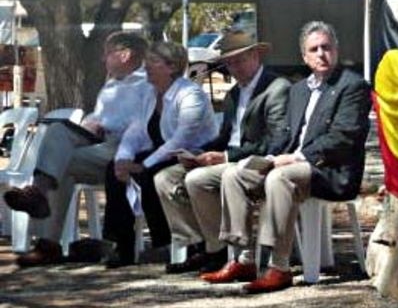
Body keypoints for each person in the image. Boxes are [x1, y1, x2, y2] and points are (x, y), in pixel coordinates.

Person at [201, 21, 371, 293]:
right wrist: (265, 156)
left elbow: (343, 138)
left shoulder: (353, 86)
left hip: (328, 169)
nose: (321, 54)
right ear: (304, 56)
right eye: (313, 49)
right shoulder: (299, 89)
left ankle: (278, 267)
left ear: (336, 50)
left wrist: (297, 157)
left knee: (279, 177)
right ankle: (243, 258)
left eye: (326, 47)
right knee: (234, 173)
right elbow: (285, 136)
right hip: (291, 163)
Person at [3, 32, 154, 266]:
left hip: (130, 149)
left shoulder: (148, 82)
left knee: (60, 163)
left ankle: (45, 233)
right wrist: (88, 125)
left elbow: (138, 124)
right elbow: (100, 117)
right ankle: (42, 213)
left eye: (107, 53)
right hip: (103, 142)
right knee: (58, 135)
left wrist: (100, 124)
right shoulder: (114, 83)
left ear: (125, 55)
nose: (103, 59)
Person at [154, 31, 291, 274]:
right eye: (229, 63)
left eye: (240, 60)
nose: (234, 67)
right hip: (229, 157)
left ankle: (222, 251)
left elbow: (276, 141)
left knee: (197, 179)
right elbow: (226, 137)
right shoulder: (234, 93)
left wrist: (226, 157)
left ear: (256, 55)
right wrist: (197, 154)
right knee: (164, 178)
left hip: (255, 162)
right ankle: (202, 246)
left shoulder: (276, 87)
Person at [102, 41, 217, 268]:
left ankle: (165, 243)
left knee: (150, 174)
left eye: (153, 62)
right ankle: (123, 245)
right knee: (112, 171)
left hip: (193, 155)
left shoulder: (190, 94)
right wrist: (123, 158)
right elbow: (137, 129)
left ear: (172, 67)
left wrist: (144, 165)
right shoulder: (151, 94)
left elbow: (180, 139)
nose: (146, 67)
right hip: (162, 153)